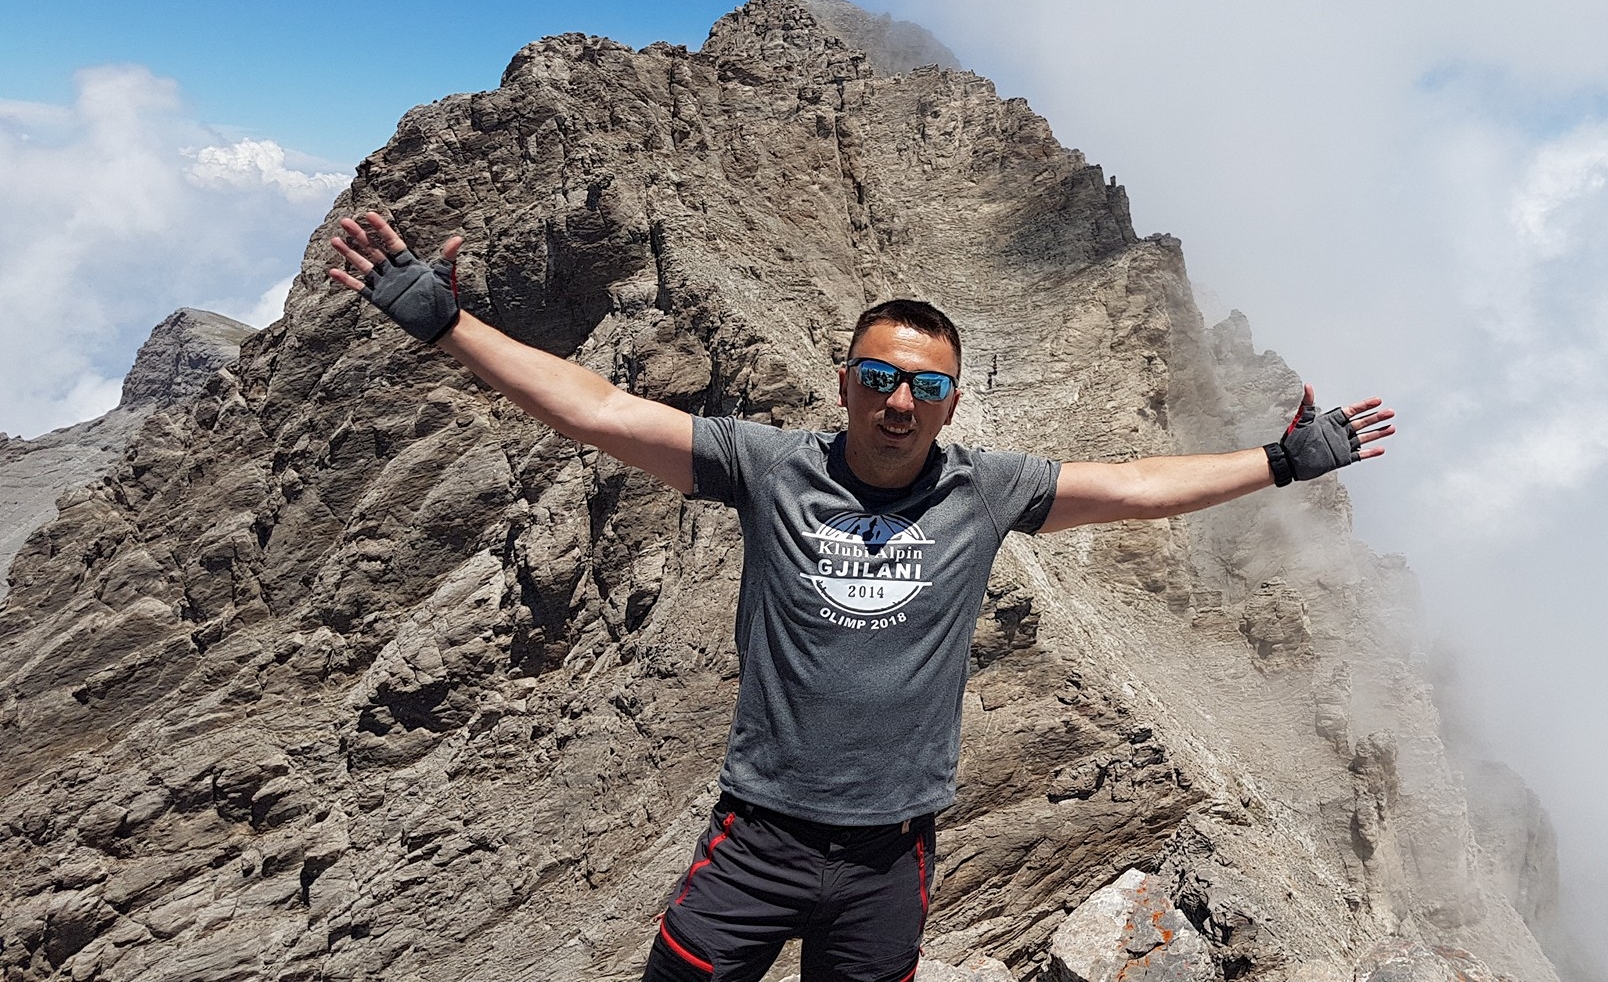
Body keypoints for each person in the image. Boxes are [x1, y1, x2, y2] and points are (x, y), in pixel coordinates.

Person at [326, 212, 1395, 982]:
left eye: (925, 386)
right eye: (877, 376)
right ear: (841, 380)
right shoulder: (766, 465)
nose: (897, 401)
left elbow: (1134, 490)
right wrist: (450, 329)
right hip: (756, 837)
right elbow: (600, 410)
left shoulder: (988, 493)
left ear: (950, 402)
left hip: (892, 852)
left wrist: (1282, 461)